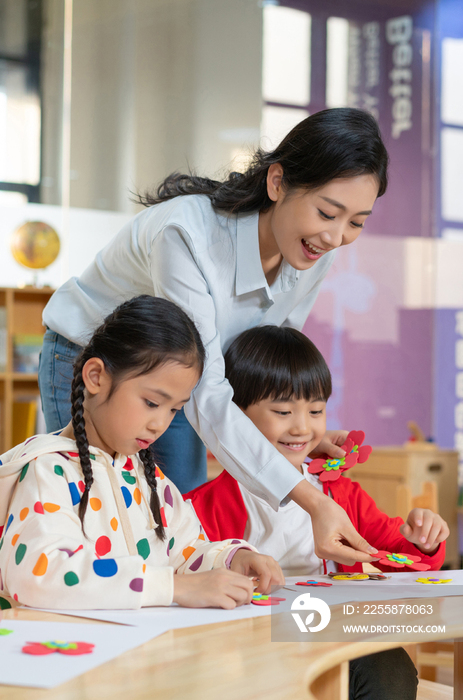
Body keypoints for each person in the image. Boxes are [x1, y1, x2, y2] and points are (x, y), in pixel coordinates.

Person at [38, 107, 389, 567]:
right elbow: (208, 392)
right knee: (100, 517)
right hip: (98, 364)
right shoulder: (185, 234)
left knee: (179, 523)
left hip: (190, 381)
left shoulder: (312, 249)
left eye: (356, 223)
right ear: (277, 182)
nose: (336, 236)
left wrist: (291, 432)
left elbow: (263, 358)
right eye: (327, 212)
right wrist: (314, 500)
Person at [184, 325, 449, 700]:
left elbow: (397, 554)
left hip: (333, 629)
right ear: (236, 419)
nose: (302, 427)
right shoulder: (205, 503)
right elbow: (189, 572)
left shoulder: (340, 491)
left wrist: (420, 539)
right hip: (247, 639)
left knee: (391, 671)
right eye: (282, 411)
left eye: (316, 410)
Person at [0, 297, 283, 610]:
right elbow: (40, 576)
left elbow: (185, 551)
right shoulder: (48, 471)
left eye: (174, 409)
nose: (160, 424)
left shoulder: (150, 478)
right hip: (75, 651)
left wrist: (232, 559)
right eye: (151, 402)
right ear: (96, 377)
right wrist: (171, 587)